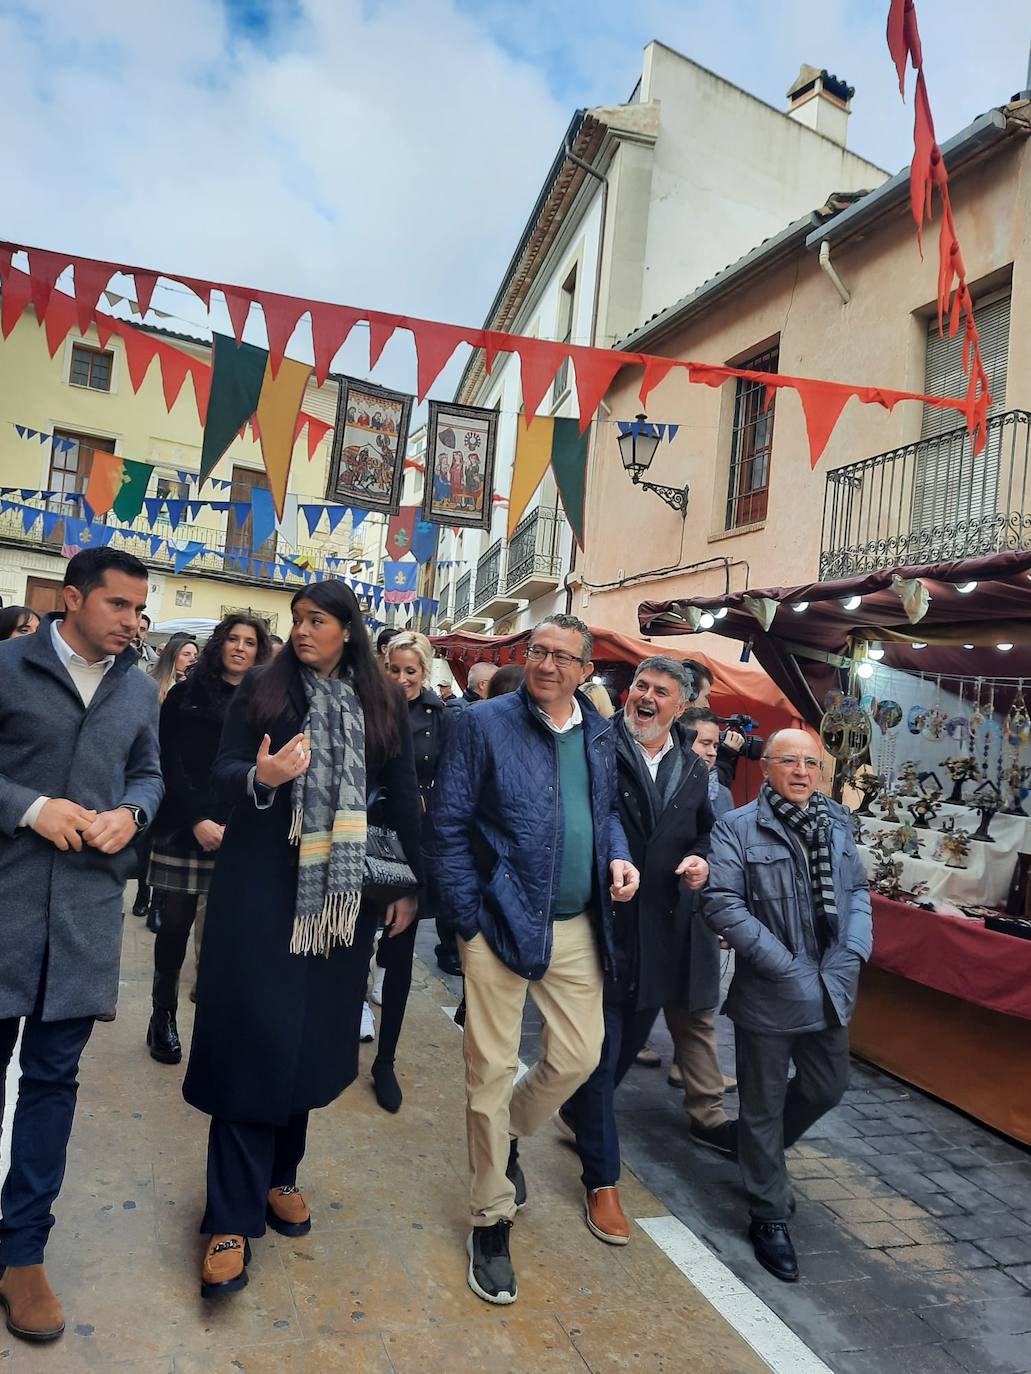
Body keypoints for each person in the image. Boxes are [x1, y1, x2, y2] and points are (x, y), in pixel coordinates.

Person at [182, 581, 423, 1300]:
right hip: (259, 892)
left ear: (349, 628)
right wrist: (261, 773)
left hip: (338, 900)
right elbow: (219, 772)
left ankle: (281, 1176)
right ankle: (227, 1217)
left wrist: (411, 886)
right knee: (251, 1041)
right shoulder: (262, 686)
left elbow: (405, 793)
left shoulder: (381, 701)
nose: (302, 631)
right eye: (297, 621)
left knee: (311, 1043)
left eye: (316, 620)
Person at [427, 614, 639, 1306]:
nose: (545, 664)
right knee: (487, 1070)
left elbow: (604, 811)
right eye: (537, 652)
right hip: (497, 918)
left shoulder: (600, 731)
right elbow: (448, 824)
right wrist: (465, 917)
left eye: (561, 656)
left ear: (585, 671)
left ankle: (510, 1133)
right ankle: (489, 1219)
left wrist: (617, 855)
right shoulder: (482, 723)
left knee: (579, 1056)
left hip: (577, 921)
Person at [0, 548, 162, 1343]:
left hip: (86, 914)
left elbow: (151, 774)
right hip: (6, 902)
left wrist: (130, 813)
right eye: (120, 606)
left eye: (140, 608)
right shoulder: (7, 667)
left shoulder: (139, 688)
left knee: (52, 1081)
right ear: (73, 598)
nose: (134, 622)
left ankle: (22, 1252)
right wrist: (31, 809)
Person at [702, 729, 872, 1283]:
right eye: (789, 761)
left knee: (827, 1086)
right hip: (772, 989)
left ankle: (755, 1152)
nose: (802, 771)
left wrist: (856, 949)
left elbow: (856, 893)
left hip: (831, 984)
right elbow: (722, 902)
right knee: (763, 1102)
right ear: (767, 766)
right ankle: (769, 1212)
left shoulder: (838, 822)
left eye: (811, 762)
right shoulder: (738, 826)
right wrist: (781, 962)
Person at [561, 657, 712, 1244]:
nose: (645, 698)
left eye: (661, 692)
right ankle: (602, 1182)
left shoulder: (694, 768)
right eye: (641, 687)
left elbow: (703, 829)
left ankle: (577, 1111)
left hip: (661, 935)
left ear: (680, 706)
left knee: (621, 1055)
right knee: (601, 1056)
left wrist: (703, 859)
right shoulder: (594, 746)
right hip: (599, 924)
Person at [145, 615, 272, 1065]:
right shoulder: (185, 693)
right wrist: (197, 817)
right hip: (184, 825)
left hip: (242, 830)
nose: (240, 648)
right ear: (219, 645)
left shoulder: (268, 701)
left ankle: (218, 1027)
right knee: (175, 928)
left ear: (261, 651)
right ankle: (162, 1016)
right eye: (233, 639)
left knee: (226, 935)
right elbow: (166, 760)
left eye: (250, 642)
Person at [375, 631, 454, 1102]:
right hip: (361, 833)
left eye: (411, 671)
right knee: (351, 943)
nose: (401, 679)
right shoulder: (366, 706)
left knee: (400, 952)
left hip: (410, 840)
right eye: (394, 668)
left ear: (425, 674)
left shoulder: (442, 717)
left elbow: (449, 777)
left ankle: (385, 1059)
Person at [661, 705, 737, 1142]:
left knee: (698, 1012)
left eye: (714, 743)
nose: (714, 752)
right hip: (658, 913)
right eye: (706, 743)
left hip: (701, 917)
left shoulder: (721, 792)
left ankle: (707, 1112)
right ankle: (580, 1110)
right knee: (628, 1021)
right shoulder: (661, 781)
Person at [150, 634, 199, 704]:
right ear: (171, 657)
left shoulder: (193, 686)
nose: (193, 659)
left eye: (196, 656)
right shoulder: (151, 684)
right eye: (186, 654)